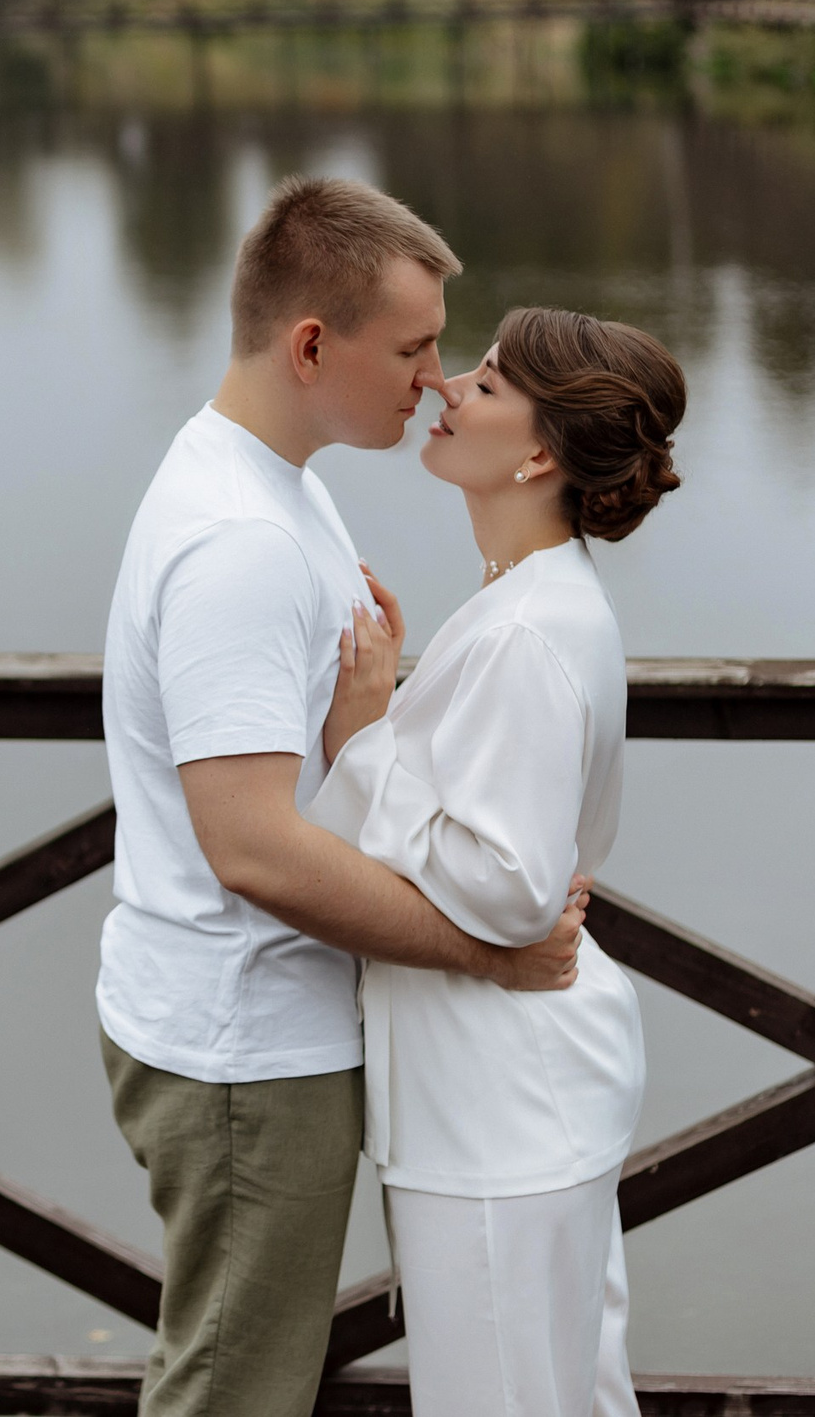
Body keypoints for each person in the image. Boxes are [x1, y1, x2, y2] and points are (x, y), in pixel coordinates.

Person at [98, 178, 590, 1417]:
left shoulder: (278, 484)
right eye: (414, 349)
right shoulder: (241, 543)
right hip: (241, 1048)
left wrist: (371, 727)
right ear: (312, 344)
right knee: (231, 1396)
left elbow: (293, 770)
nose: (434, 380)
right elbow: (252, 849)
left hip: (248, 1032)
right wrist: (491, 953)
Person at [310, 306, 687, 1417]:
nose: (444, 388)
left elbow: (512, 889)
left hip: (496, 1105)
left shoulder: (528, 629)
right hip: (513, 1091)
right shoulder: (526, 602)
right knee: (566, 1391)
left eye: (483, 382)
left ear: (536, 453)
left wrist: (362, 736)